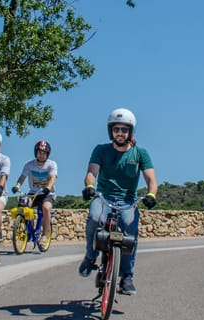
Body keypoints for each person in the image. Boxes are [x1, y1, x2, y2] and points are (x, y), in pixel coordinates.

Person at [78, 108, 157, 296]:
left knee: (130, 230)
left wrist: (151, 195)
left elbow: (151, 180)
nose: (120, 133)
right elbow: (91, 173)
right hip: (103, 197)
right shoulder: (101, 150)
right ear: (110, 131)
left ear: (131, 131)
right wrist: (90, 186)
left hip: (128, 200)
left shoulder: (140, 153)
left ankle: (126, 277)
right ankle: (90, 256)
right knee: (95, 218)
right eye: (116, 129)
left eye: (124, 129)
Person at [11, 140, 58, 246]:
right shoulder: (29, 164)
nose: (41, 155)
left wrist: (48, 187)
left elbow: (53, 177)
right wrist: (17, 186)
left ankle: (44, 235)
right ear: (35, 152)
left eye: (44, 153)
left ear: (48, 154)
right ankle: (29, 228)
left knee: (46, 208)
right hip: (33, 193)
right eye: (39, 152)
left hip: (47, 194)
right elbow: (22, 177)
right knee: (23, 204)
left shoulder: (51, 164)